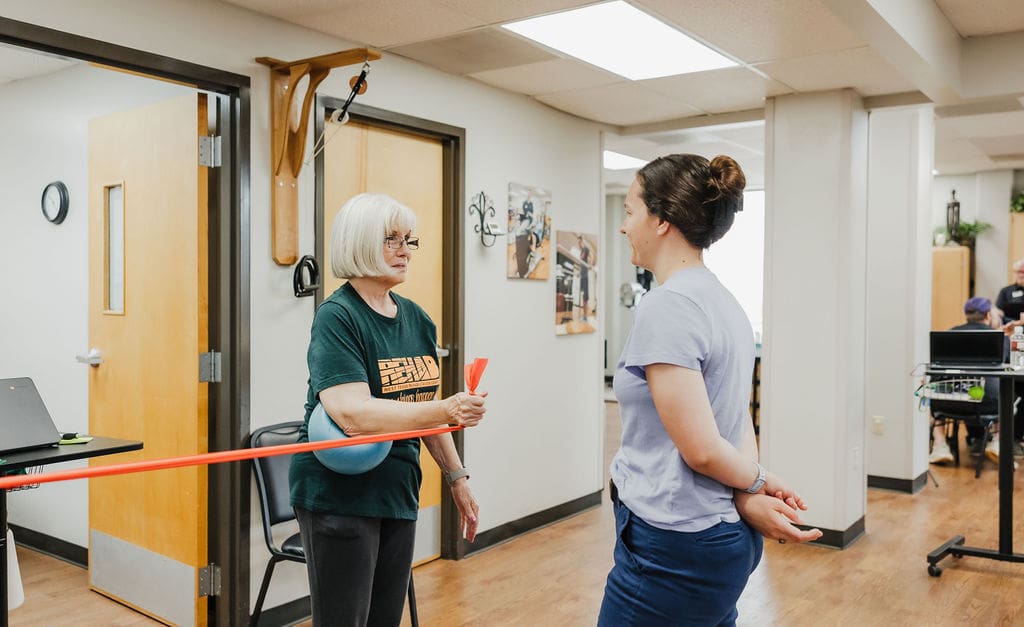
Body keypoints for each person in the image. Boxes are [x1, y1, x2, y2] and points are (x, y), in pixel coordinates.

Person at [600, 154, 821, 627]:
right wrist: (747, 491)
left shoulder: (668, 307)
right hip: (713, 536)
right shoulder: (724, 302)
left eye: (629, 211)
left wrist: (758, 481)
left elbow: (701, 450)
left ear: (661, 221)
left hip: (672, 546)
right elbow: (735, 420)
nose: (624, 227)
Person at [289, 193, 487, 626]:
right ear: (358, 243)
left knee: (383, 620)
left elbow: (423, 411)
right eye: (390, 239)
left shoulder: (417, 319)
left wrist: (457, 478)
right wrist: (447, 407)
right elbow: (351, 414)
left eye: (408, 239)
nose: (404, 250)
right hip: (340, 497)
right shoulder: (337, 317)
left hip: (398, 490)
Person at [930, 297, 1023, 465]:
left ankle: (940, 445)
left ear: (966, 315)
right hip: (987, 402)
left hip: (948, 403)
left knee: (934, 391)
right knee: (1008, 396)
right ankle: (996, 441)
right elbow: (1013, 366)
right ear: (988, 315)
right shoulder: (1000, 338)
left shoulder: (948, 334)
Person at [995, 258, 1024, 324]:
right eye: (1019, 271)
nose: (1021, 275)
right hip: (1010, 325)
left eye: (1023, 272)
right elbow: (999, 310)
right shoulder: (1005, 291)